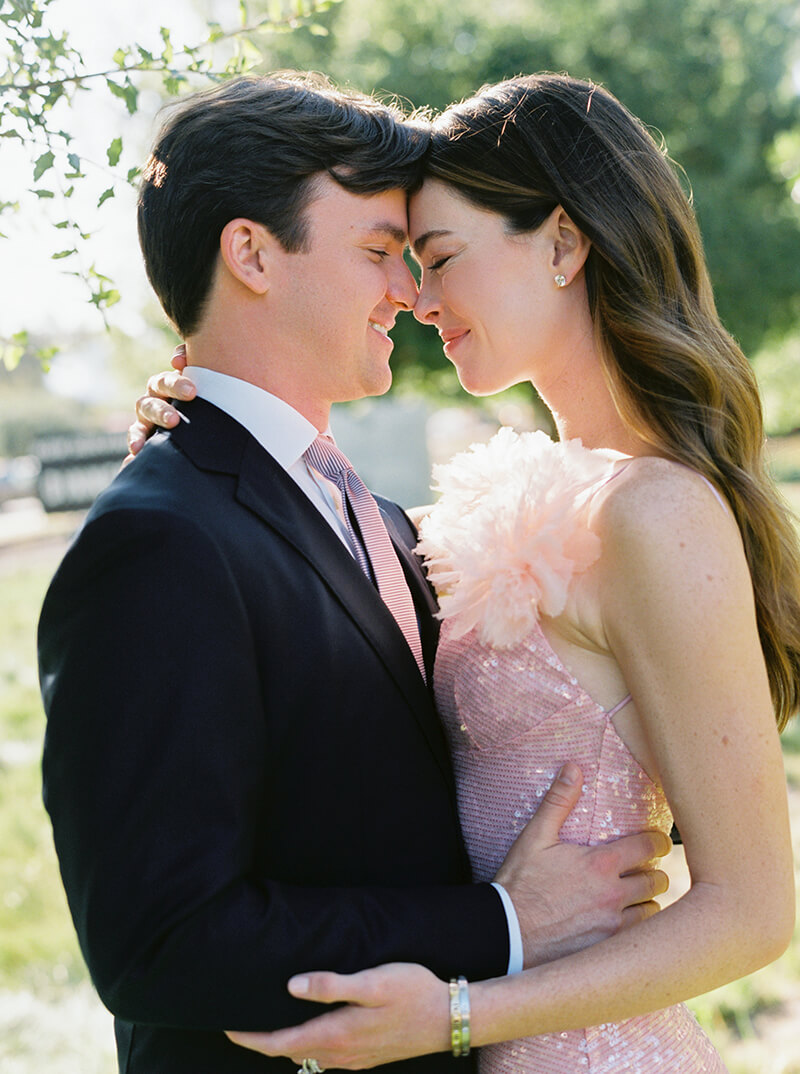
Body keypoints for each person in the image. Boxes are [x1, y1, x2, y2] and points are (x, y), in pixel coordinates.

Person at [135, 74, 799, 1071]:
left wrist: (457, 1013)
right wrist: (203, 422)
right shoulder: (503, 504)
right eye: (402, 262)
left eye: (439, 258)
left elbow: (751, 912)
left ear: (563, 245)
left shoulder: (655, 512)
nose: (419, 298)